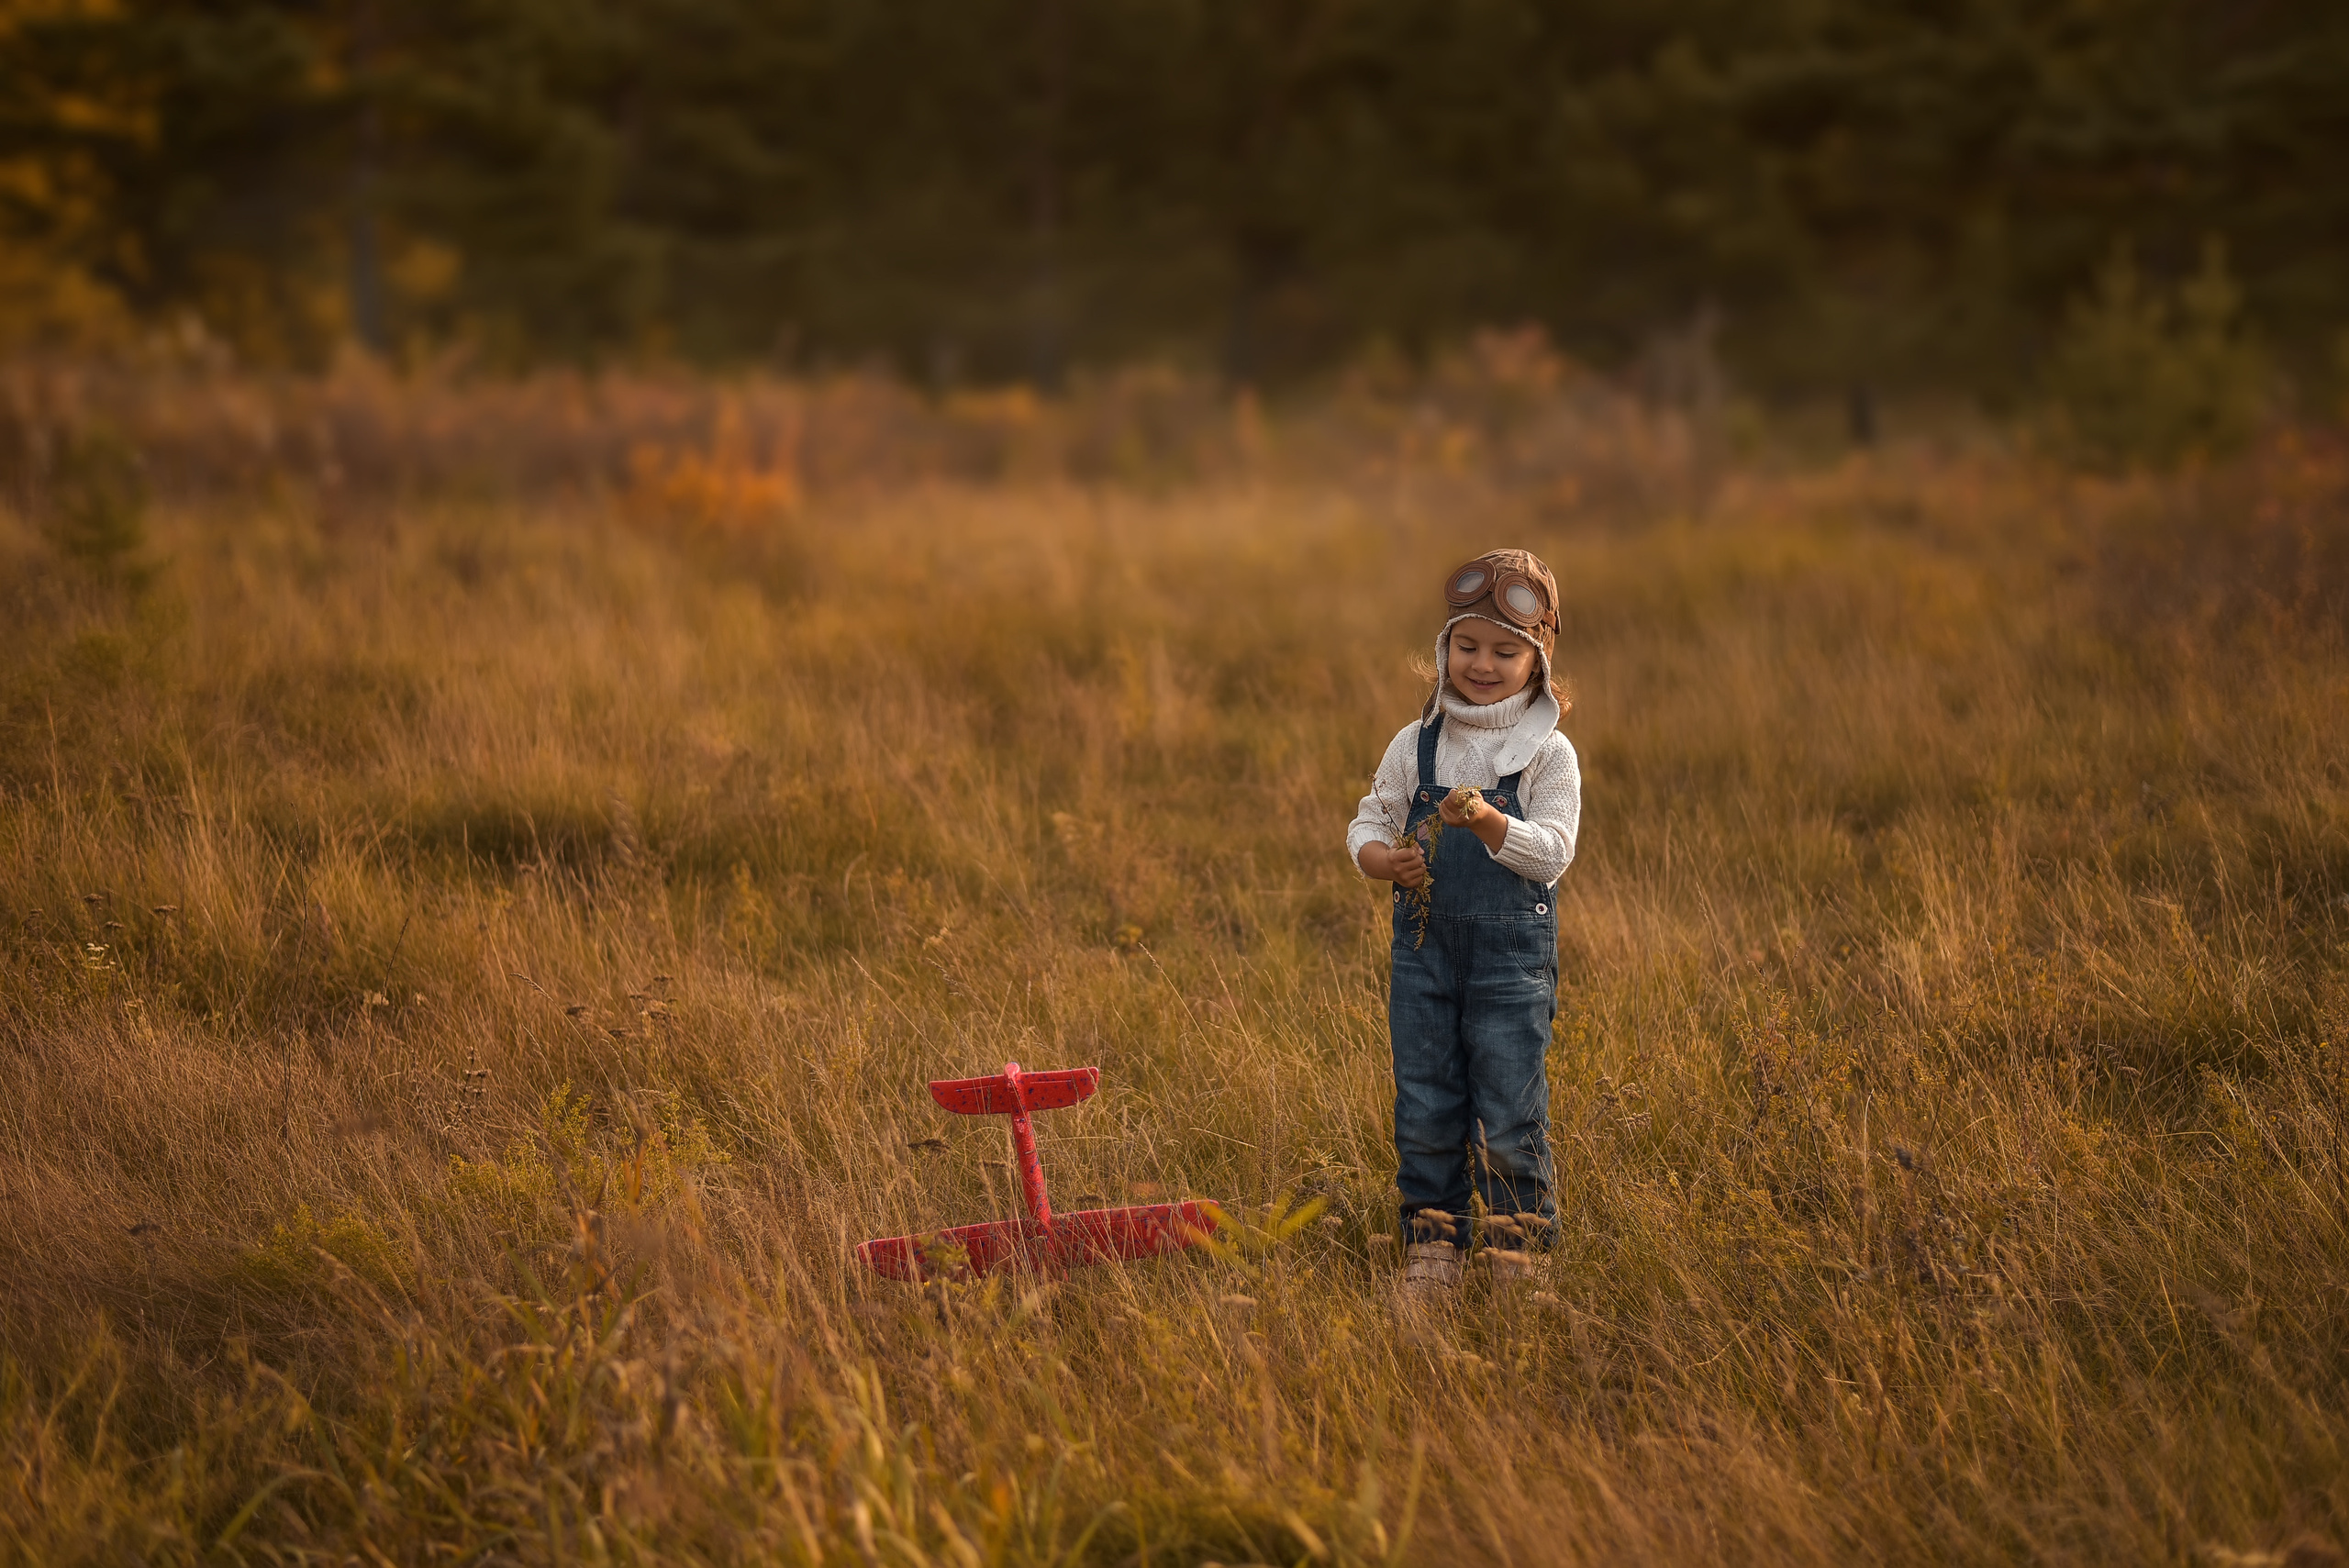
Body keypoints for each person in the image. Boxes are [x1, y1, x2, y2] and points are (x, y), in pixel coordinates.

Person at [1346, 549, 1581, 1299]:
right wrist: (1386, 860)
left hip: (1509, 962)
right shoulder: (1416, 744)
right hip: (1424, 952)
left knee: (1511, 1104)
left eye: (1506, 651)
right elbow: (1370, 821)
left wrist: (1484, 821)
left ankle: (1518, 1253)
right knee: (1426, 1098)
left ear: (1537, 662)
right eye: (1466, 645)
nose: (1483, 664)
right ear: (1444, 649)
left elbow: (1552, 854)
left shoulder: (1547, 754)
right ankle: (1434, 1245)